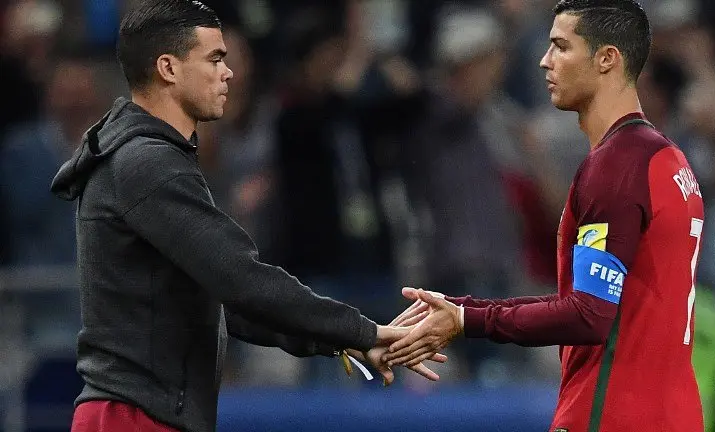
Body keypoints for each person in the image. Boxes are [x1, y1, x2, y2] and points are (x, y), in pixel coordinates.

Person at [49, 1, 440, 431]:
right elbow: (240, 280)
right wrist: (361, 331)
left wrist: (344, 340)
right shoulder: (147, 163)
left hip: (142, 411)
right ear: (168, 68)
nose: (229, 73)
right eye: (214, 59)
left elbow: (223, 301)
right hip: (134, 417)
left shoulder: (148, 157)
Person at [382, 1, 706, 431]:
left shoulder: (616, 167)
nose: (544, 60)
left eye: (561, 47)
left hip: (611, 415)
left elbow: (588, 314)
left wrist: (465, 319)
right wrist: (463, 309)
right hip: (671, 413)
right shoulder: (668, 160)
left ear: (606, 59)